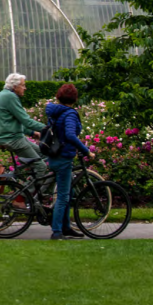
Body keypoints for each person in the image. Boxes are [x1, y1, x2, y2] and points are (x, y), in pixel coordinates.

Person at [45, 83, 91, 240]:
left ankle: (66, 227)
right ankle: (57, 231)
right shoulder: (70, 114)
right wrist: (86, 150)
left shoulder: (56, 112)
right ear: (75, 98)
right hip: (64, 157)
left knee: (68, 192)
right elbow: (70, 135)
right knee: (64, 196)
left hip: (54, 155)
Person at [0, 73, 48, 185]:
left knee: (45, 154)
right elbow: (26, 121)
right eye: (23, 85)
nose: (25, 88)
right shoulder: (10, 97)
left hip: (9, 137)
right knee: (41, 166)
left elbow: (15, 122)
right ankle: (23, 198)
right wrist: (49, 129)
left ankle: (34, 191)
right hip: (13, 139)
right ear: (14, 86)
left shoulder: (4, 95)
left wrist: (32, 133)